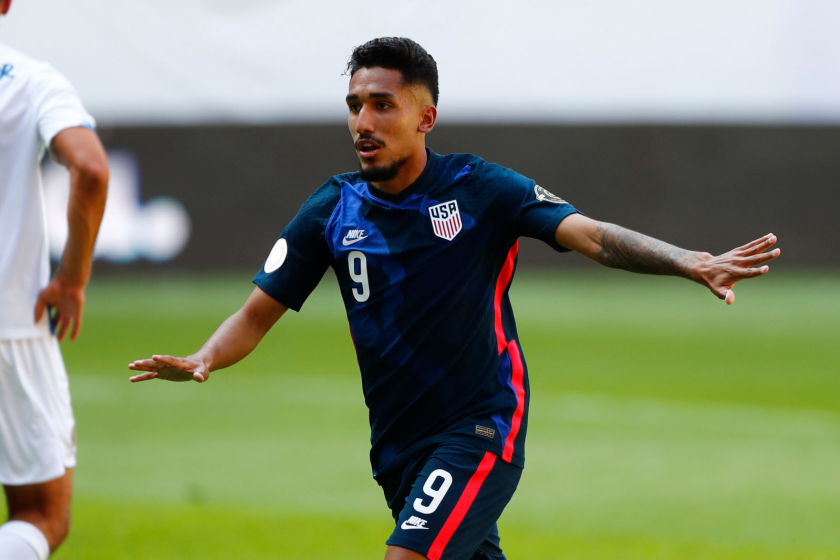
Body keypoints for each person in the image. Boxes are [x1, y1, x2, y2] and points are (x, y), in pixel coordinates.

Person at [128, 37, 779, 560]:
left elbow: (592, 237)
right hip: (396, 444)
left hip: (479, 426)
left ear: (425, 116)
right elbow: (255, 313)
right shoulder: (331, 209)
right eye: (355, 105)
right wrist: (206, 357)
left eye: (382, 104)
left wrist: (686, 260)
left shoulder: (480, 188)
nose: (363, 121)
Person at [0, 1, 109, 558]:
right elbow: (90, 167)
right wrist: (72, 278)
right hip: (11, 328)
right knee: (41, 515)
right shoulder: (30, 80)